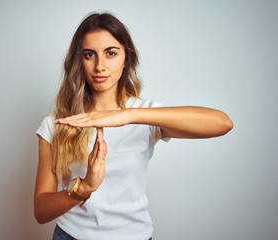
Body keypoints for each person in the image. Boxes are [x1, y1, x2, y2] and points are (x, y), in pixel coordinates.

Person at [34, 12, 233, 240]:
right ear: (79, 60)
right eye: (89, 55)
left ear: (126, 58)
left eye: (110, 53)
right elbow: (41, 211)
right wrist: (84, 189)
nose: (100, 65)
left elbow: (222, 123)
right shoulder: (57, 123)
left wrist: (128, 115)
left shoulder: (144, 116)